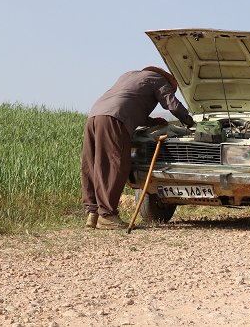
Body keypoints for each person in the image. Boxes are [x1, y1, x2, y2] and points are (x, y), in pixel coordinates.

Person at [81, 66, 194, 229]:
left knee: (92, 164)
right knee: (116, 165)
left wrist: (152, 122)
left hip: (94, 116)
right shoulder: (159, 80)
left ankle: (93, 214)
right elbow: (172, 104)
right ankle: (107, 215)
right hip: (115, 120)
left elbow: (128, 104)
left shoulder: (129, 76)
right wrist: (189, 121)